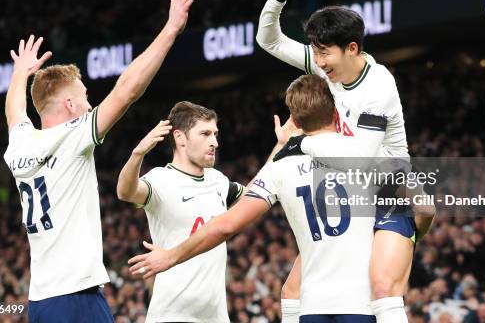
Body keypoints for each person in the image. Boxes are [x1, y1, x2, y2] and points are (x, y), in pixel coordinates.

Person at [256, 0, 434, 323]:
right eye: (315, 51)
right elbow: (268, 41)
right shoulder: (328, 70)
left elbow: (360, 160)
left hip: (388, 192)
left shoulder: (379, 86)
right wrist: (276, 0)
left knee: (382, 288)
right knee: (292, 292)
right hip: (346, 194)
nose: (317, 61)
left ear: (352, 48)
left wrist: (298, 144)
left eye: (324, 52)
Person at [3, 0, 195, 322]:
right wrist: (171, 30)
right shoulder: (72, 137)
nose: (90, 104)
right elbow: (127, 90)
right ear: (70, 103)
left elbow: (15, 111)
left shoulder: (19, 144)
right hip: (76, 296)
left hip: (40, 302)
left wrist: (19, 74)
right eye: (86, 98)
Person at [128, 74, 382, 323]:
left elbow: (228, 222)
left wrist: (171, 255)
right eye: (206, 134)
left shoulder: (281, 169)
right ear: (337, 113)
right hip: (364, 302)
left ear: (296, 121)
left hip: (312, 305)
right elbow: (418, 210)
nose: (214, 142)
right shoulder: (371, 155)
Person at [116, 101, 245, 322]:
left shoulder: (218, 180)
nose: (214, 142)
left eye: (215, 134)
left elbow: (253, 197)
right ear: (180, 138)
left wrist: (279, 148)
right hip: (172, 314)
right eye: (205, 134)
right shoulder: (160, 180)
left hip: (216, 316)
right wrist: (138, 154)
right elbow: (125, 192)